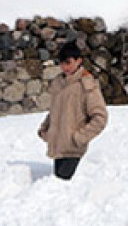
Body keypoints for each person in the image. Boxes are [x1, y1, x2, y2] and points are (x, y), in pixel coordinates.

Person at [37, 40, 108, 180]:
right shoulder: (59, 82)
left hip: (74, 149)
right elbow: (55, 111)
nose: (65, 67)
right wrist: (45, 129)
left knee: (66, 187)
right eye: (62, 63)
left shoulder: (86, 84)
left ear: (79, 61)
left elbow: (100, 117)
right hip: (59, 147)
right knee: (58, 187)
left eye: (68, 62)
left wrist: (79, 137)